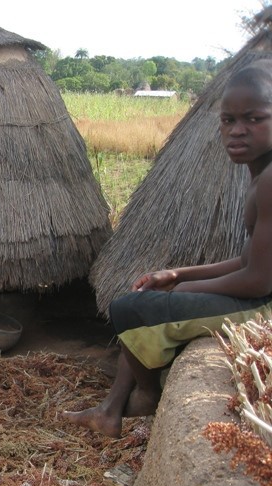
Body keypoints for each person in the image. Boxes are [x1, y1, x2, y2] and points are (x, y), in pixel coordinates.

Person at [63, 60, 272, 438]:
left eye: (254, 119)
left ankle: (148, 396)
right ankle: (111, 410)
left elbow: (258, 280)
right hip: (260, 297)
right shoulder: (260, 174)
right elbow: (247, 260)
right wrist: (177, 275)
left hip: (263, 310)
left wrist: (187, 288)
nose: (237, 131)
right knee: (148, 297)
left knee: (128, 308)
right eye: (228, 121)